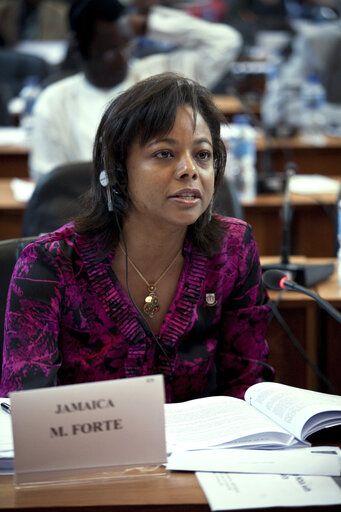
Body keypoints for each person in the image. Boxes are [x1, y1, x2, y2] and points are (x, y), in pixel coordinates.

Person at [1, 72, 272, 403]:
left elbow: (248, 383)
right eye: (164, 154)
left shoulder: (233, 248)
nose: (190, 170)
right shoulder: (51, 264)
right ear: (117, 170)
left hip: (203, 452)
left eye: (202, 155)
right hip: (88, 451)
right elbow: (27, 410)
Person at [28, 0, 242, 179]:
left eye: (127, 46)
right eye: (111, 51)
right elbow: (49, 183)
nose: (123, 58)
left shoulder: (163, 79)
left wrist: (150, 23)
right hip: (86, 220)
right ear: (82, 50)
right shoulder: (54, 101)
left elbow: (226, 43)